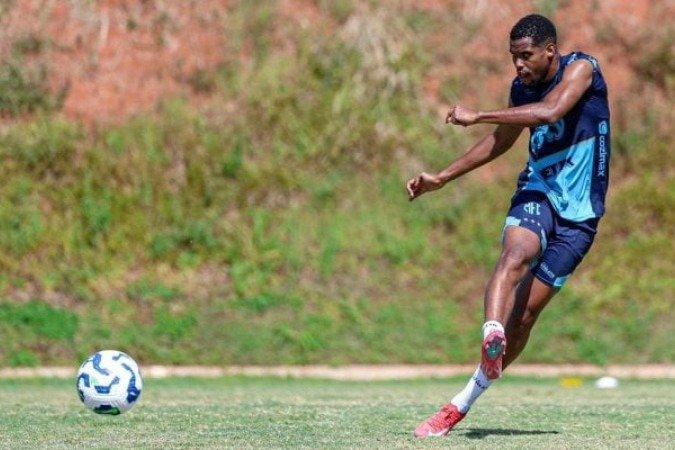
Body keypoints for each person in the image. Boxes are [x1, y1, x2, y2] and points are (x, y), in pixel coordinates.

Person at [407, 14, 611, 438]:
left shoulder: (582, 69)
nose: (518, 65)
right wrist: (443, 177)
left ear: (550, 51)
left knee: (525, 317)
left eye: (526, 56)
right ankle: (491, 333)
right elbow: (502, 140)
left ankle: (461, 402)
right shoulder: (521, 89)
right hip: (538, 191)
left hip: (580, 216)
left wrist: (478, 114)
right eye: (513, 57)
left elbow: (550, 112)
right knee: (515, 253)